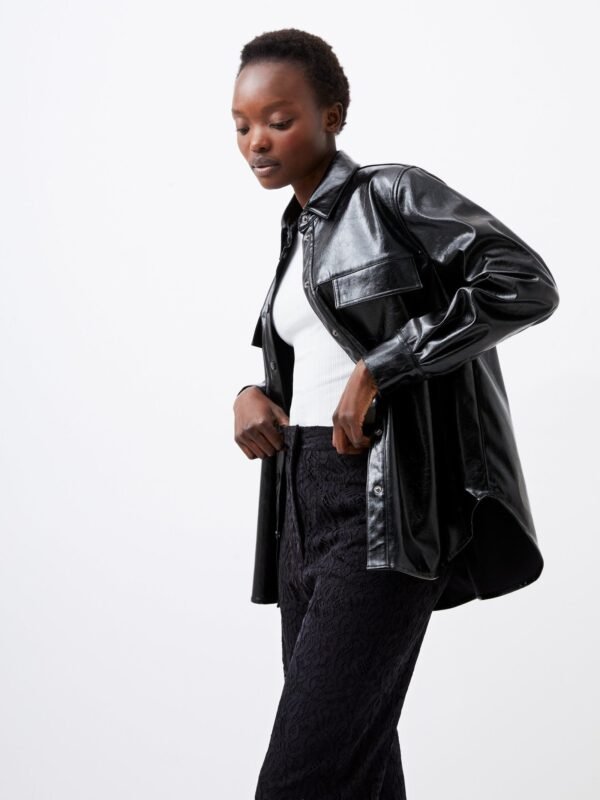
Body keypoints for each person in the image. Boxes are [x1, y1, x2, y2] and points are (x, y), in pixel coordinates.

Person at [231, 28, 559, 800]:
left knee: (303, 778)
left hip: (385, 503)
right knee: (359, 768)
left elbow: (524, 281)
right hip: (299, 507)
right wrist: (251, 395)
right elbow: (310, 362)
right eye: (241, 125)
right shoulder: (296, 232)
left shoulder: (392, 194)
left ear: (332, 116)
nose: (256, 142)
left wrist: (387, 365)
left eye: (278, 120)